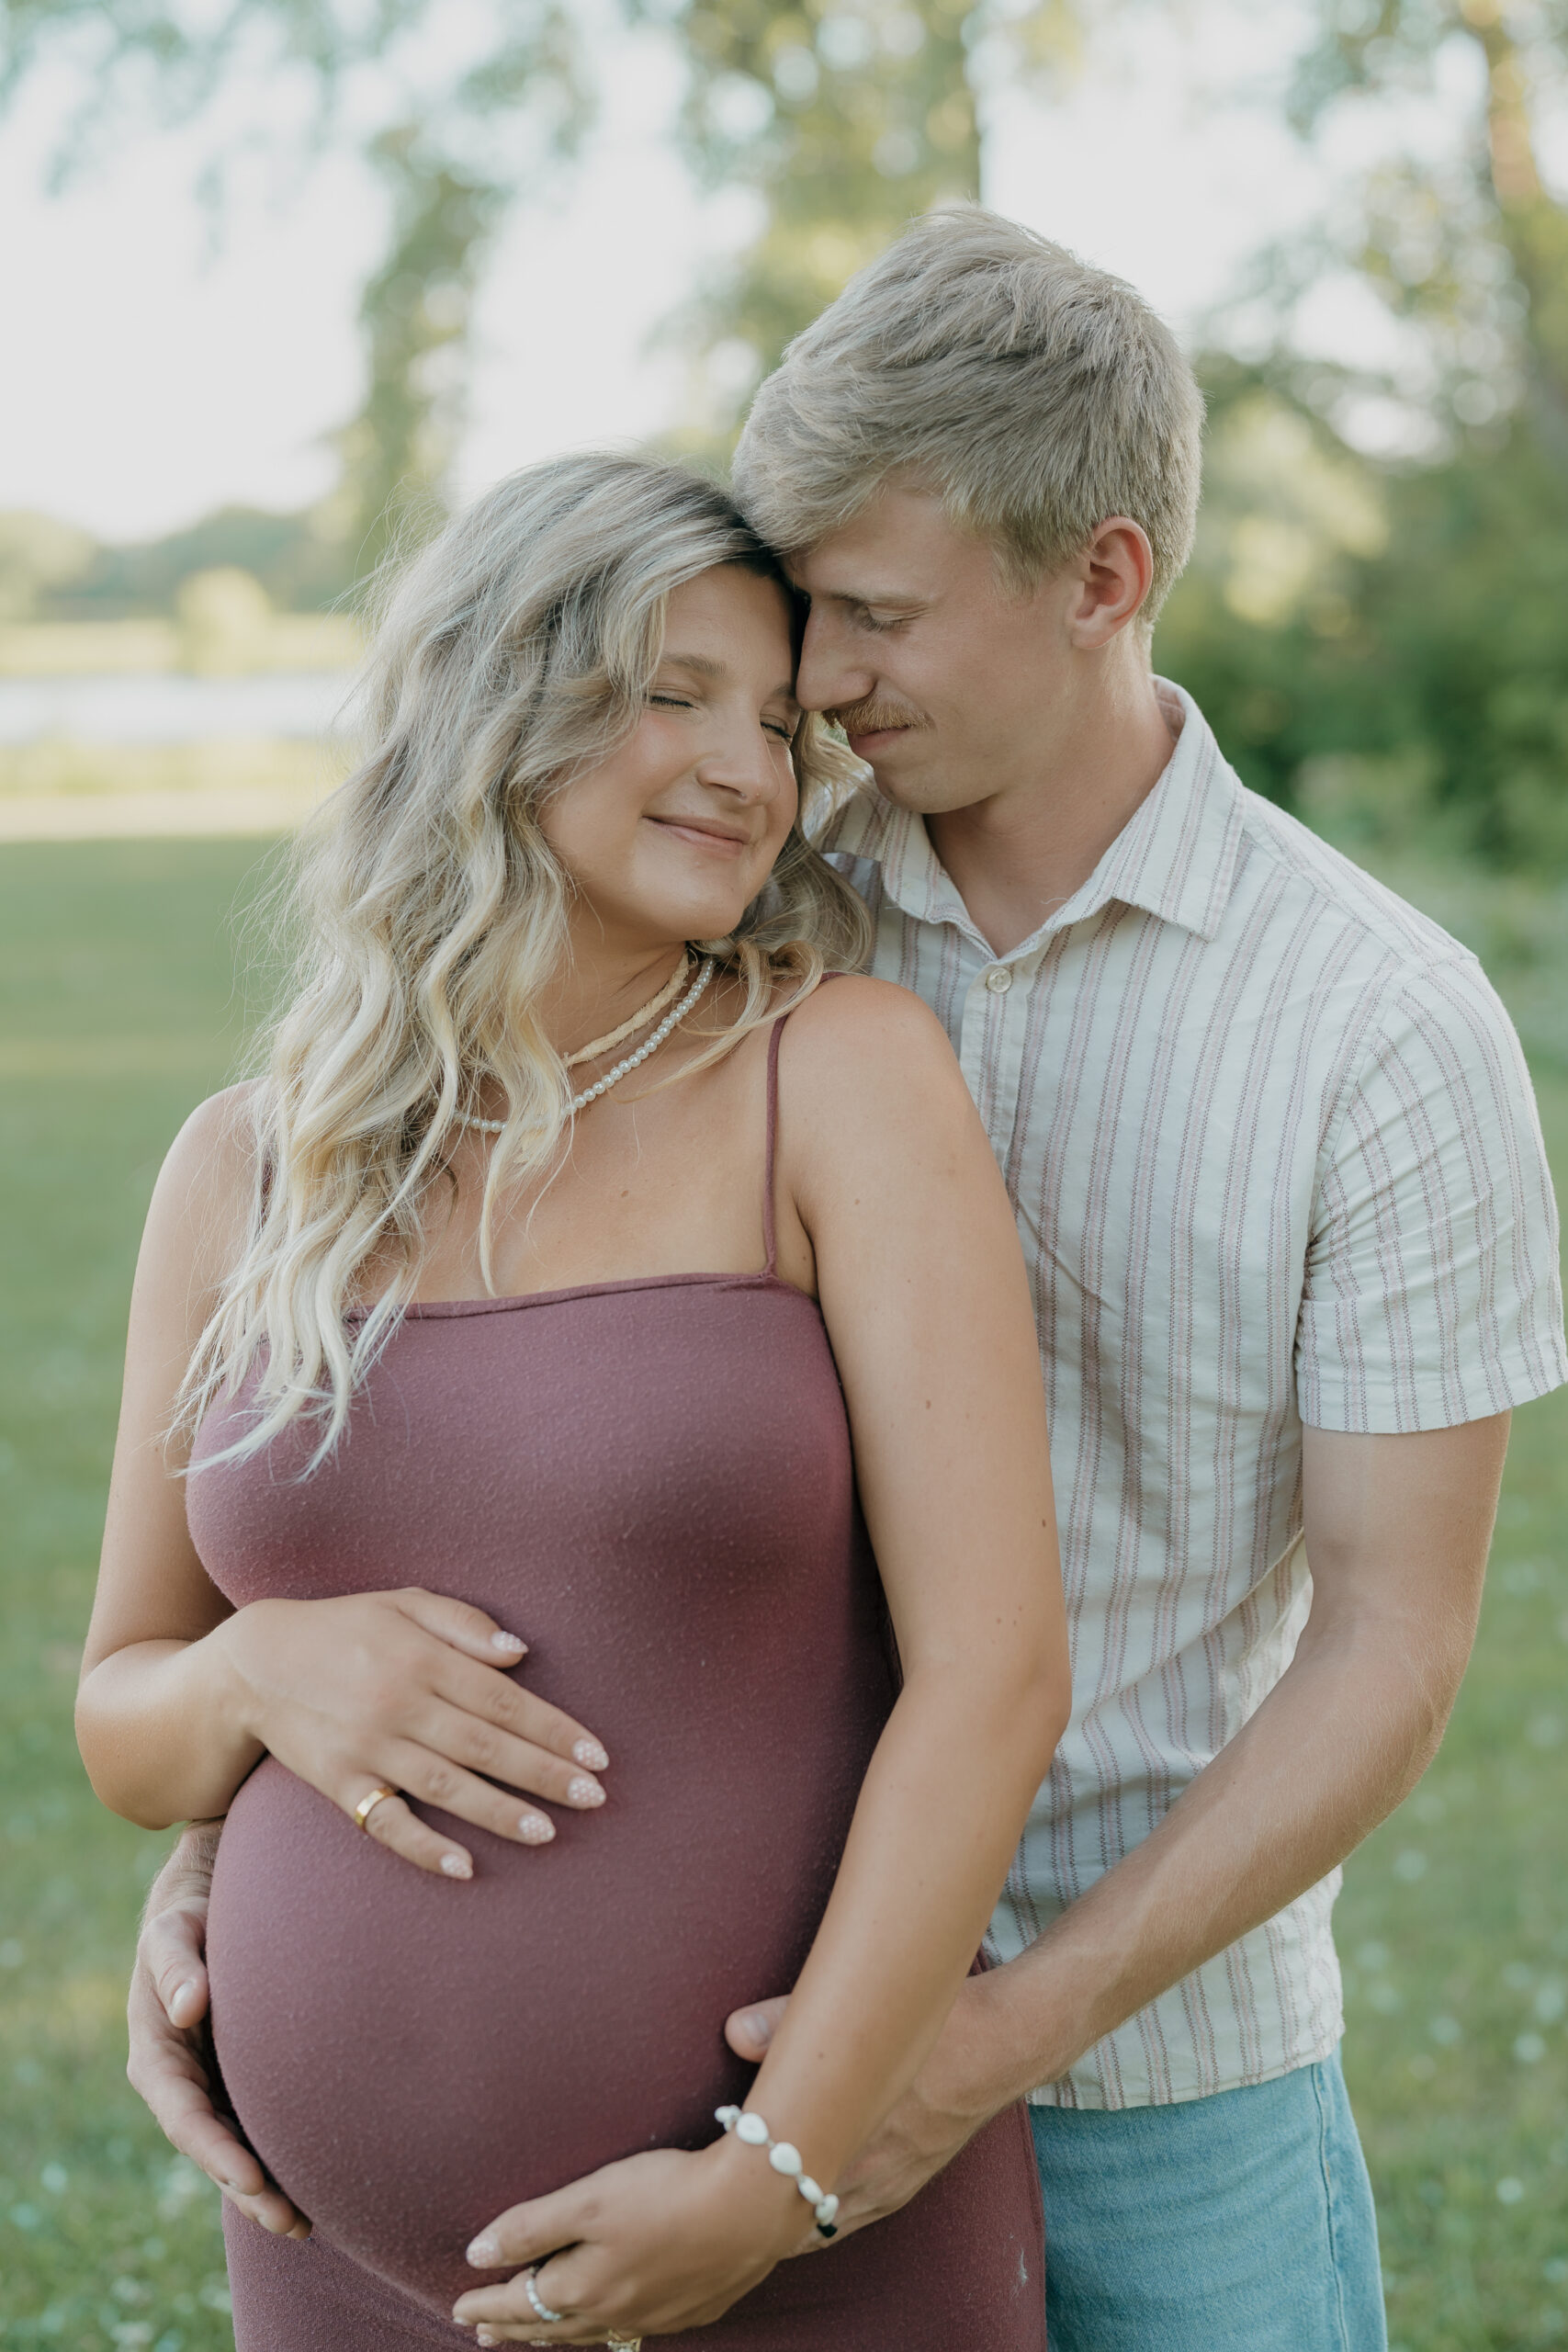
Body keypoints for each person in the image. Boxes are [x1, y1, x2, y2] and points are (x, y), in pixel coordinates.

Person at [125, 211, 1568, 2349]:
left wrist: (978, 2041)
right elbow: (456, 1455)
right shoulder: (735, 889)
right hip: (709, 2001)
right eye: (798, 624)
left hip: (1155, 2055)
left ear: (1098, 578)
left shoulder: (1376, 1028)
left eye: (868, 618)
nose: (809, 693)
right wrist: (231, 1848)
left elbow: (1386, 1646)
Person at [79, 452, 1070, 2350]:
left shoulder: (835, 1075)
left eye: (778, 720)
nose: (746, 768)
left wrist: (773, 2174)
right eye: (670, 692)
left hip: (798, 2232)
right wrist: (248, 1675)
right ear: (494, 699)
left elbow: (995, 1668)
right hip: (335, 2265)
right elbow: (126, 1713)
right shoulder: (240, 1166)